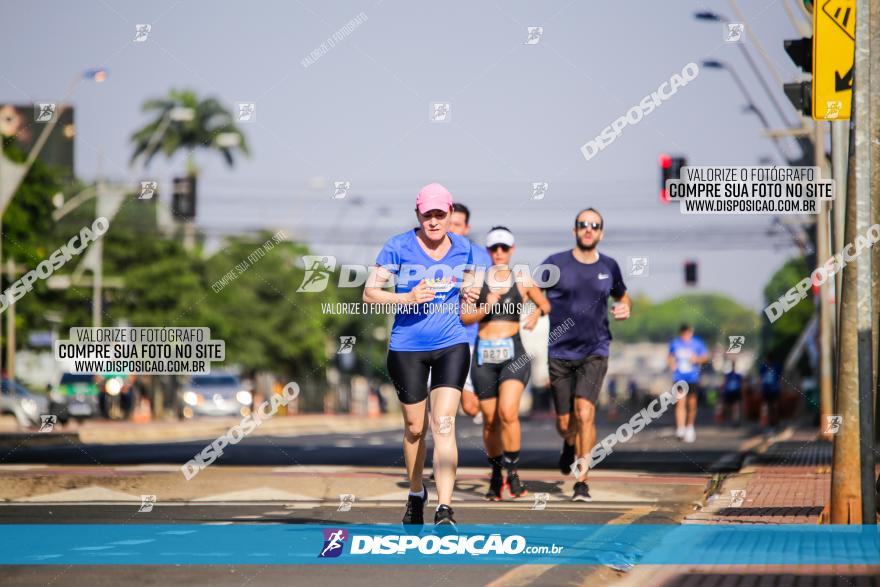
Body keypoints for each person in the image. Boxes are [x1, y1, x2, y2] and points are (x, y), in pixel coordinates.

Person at [364, 182, 480, 527]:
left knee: (443, 424)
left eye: (439, 214)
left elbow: (471, 284)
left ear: (449, 215)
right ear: (418, 214)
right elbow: (370, 293)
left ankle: (445, 507)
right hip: (407, 347)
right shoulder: (397, 246)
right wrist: (406, 298)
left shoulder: (464, 248)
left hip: (451, 344)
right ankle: (416, 493)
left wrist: (470, 294)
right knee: (415, 428)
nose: (433, 221)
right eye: (427, 214)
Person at [541, 208, 631, 502]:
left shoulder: (610, 266)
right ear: (574, 230)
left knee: (585, 413)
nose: (588, 229)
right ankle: (568, 443)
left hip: (595, 350)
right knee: (566, 423)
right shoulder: (555, 264)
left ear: (601, 232)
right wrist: (537, 309)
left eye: (594, 225)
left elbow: (622, 295)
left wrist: (625, 306)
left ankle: (582, 480)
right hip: (560, 351)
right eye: (583, 225)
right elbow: (529, 286)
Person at [460, 226, 551, 501]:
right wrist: (486, 306)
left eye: (504, 248)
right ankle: (497, 473)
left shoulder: (522, 277)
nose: (499, 252)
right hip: (485, 355)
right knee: (489, 421)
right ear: (488, 251)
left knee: (508, 413)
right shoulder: (475, 280)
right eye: (494, 248)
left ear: (512, 250)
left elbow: (545, 304)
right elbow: (465, 318)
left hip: (514, 352)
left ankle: (513, 472)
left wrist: (535, 314)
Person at [449, 203, 494, 421]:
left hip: (467, 338)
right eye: (449, 223)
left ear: (466, 228)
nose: (452, 229)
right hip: (434, 338)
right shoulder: (430, 252)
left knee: (469, 407)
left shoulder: (480, 256)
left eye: (457, 224)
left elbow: (487, 294)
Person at [667, 324, 709, 443]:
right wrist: (672, 364)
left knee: (692, 404)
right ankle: (680, 428)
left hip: (692, 378)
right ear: (681, 333)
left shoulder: (697, 343)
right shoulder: (675, 343)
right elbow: (669, 357)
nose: (687, 334)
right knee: (680, 402)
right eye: (684, 332)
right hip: (679, 377)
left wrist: (697, 359)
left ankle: (690, 427)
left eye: (689, 332)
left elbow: (705, 357)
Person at [759, 354, 782, 430]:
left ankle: (775, 422)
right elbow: (761, 379)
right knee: (767, 407)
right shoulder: (763, 368)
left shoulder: (776, 367)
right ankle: (768, 422)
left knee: (775, 406)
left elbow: (780, 378)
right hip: (766, 390)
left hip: (774, 390)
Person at [722, 361, 743, 426]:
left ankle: (735, 421)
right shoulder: (728, 375)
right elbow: (725, 383)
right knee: (730, 407)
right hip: (729, 393)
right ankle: (733, 420)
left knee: (736, 407)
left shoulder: (738, 376)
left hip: (736, 393)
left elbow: (741, 384)